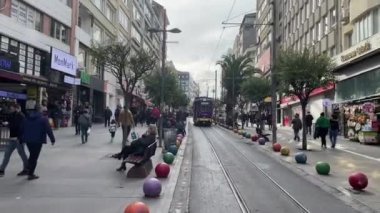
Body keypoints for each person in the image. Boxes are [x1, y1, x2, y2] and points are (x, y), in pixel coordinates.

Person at [20, 104, 55, 180]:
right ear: (40, 110)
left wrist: (21, 139)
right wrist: (52, 139)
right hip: (38, 140)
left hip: (28, 140)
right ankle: (30, 173)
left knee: (32, 155)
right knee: (34, 157)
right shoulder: (44, 119)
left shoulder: (26, 118)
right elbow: (48, 129)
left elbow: (22, 129)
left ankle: (28, 168)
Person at [0, 104, 28, 177]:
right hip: (12, 138)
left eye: (12, 108)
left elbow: (21, 127)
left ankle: (26, 169)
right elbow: (12, 124)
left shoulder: (21, 116)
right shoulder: (12, 115)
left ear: (17, 108)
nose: (11, 110)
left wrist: (20, 138)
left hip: (19, 139)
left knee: (22, 154)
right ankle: (1, 170)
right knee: (7, 154)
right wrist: (7, 124)